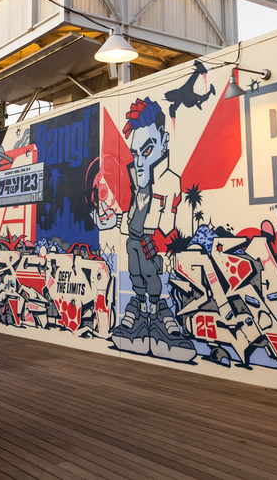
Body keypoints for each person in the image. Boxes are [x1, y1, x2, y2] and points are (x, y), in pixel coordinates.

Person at [110, 98, 196, 362]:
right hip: (135, 242)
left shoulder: (170, 183)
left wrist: (170, 249)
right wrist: (114, 220)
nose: (139, 162)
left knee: (151, 273)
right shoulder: (139, 189)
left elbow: (178, 227)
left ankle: (160, 313)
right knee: (136, 271)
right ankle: (137, 311)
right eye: (135, 154)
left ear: (164, 142)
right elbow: (130, 219)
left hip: (154, 246)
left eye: (146, 150)